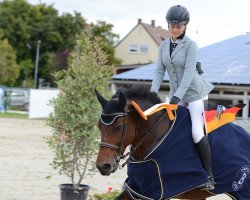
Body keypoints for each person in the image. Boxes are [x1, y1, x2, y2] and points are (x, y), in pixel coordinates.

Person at [150, 5, 215, 190]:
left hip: (195, 93)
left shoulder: (191, 46)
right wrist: (153, 91)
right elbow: (159, 70)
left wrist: (177, 97)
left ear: (185, 26)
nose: (174, 29)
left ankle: (209, 177)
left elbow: (188, 74)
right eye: (172, 25)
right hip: (176, 93)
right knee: (170, 129)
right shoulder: (163, 45)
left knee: (195, 130)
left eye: (178, 26)